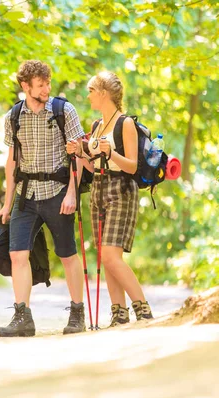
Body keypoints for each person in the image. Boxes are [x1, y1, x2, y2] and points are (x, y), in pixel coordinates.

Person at [0, 60, 86, 337]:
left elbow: (78, 154)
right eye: (41, 84)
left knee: (67, 254)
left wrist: (72, 192)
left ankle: (77, 313)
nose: (47, 88)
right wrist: (7, 201)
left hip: (57, 194)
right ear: (25, 86)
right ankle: (23, 317)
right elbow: (12, 161)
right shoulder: (14, 117)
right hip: (25, 196)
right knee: (17, 254)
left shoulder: (63, 110)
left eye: (48, 83)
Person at [66, 71, 153, 326]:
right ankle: (119, 314)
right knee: (105, 256)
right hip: (99, 190)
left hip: (121, 190)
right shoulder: (96, 126)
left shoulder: (124, 123)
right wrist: (80, 152)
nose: (88, 95)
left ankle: (144, 311)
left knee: (111, 255)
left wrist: (110, 151)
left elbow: (132, 166)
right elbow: (94, 167)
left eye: (92, 90)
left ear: (104, 93)